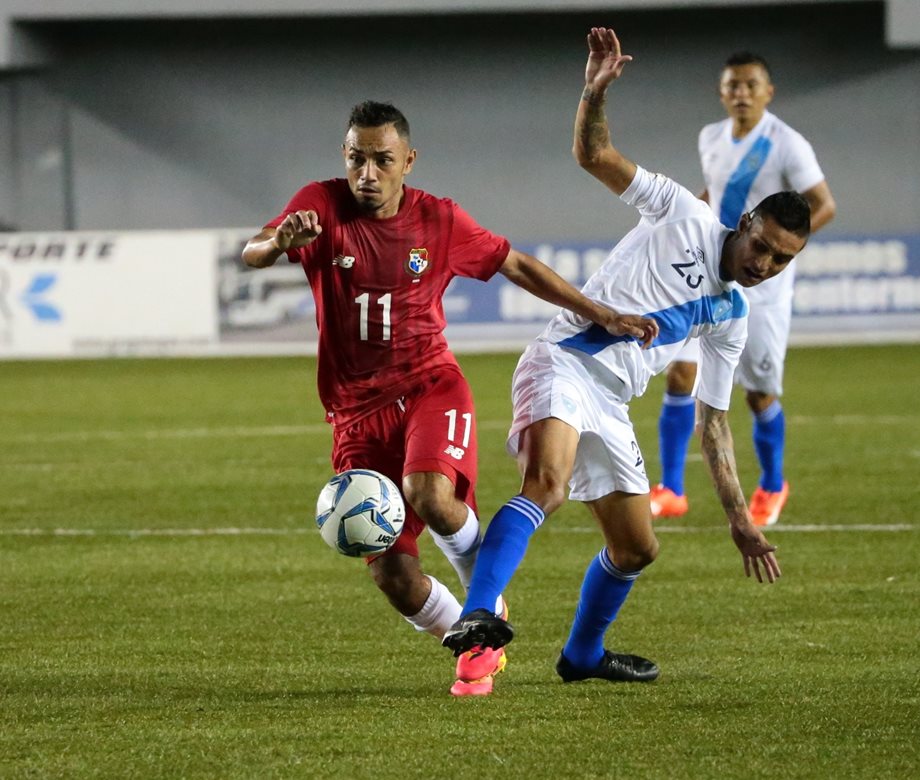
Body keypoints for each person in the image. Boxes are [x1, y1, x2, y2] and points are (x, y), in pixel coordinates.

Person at [242, 100, 655, 697]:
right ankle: (466, 636)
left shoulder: (438, 220)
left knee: (429, 493)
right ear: (344, 156)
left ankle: (483, 612)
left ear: (407, 161)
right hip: (353, 413)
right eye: (357, 158)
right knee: (392, 574)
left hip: (429, 385)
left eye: (382, 160)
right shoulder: (319, 203)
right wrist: (280, 240)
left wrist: (600, 313)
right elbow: (253, 251)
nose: (367, 173)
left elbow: (515, 264)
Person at [440, 28, 810, 692]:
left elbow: (715, 423)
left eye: (781, 260)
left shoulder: (733, 315)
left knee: (637, 547)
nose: (765, 264)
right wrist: (594, 90)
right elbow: (594, 154)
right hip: (562, 362)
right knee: (546, 487)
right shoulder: (682, 213)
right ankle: (475, 619)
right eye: (764, 246)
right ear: (746, 219)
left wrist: (739, 520)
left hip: (611, 403)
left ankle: (582, 655)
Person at [650, 51, 836, 527]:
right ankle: (672, 489)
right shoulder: (710, 137)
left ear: (768, 92)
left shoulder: (786, 144)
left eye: (751, 85)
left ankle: (773, 484)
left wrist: (777, 255)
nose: (741, 93)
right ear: (721, 92)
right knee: (680, 376)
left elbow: (823, 203)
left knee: (758, 394)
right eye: (733, 85)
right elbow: (714, 193)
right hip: (712, 272)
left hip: (764, 290)